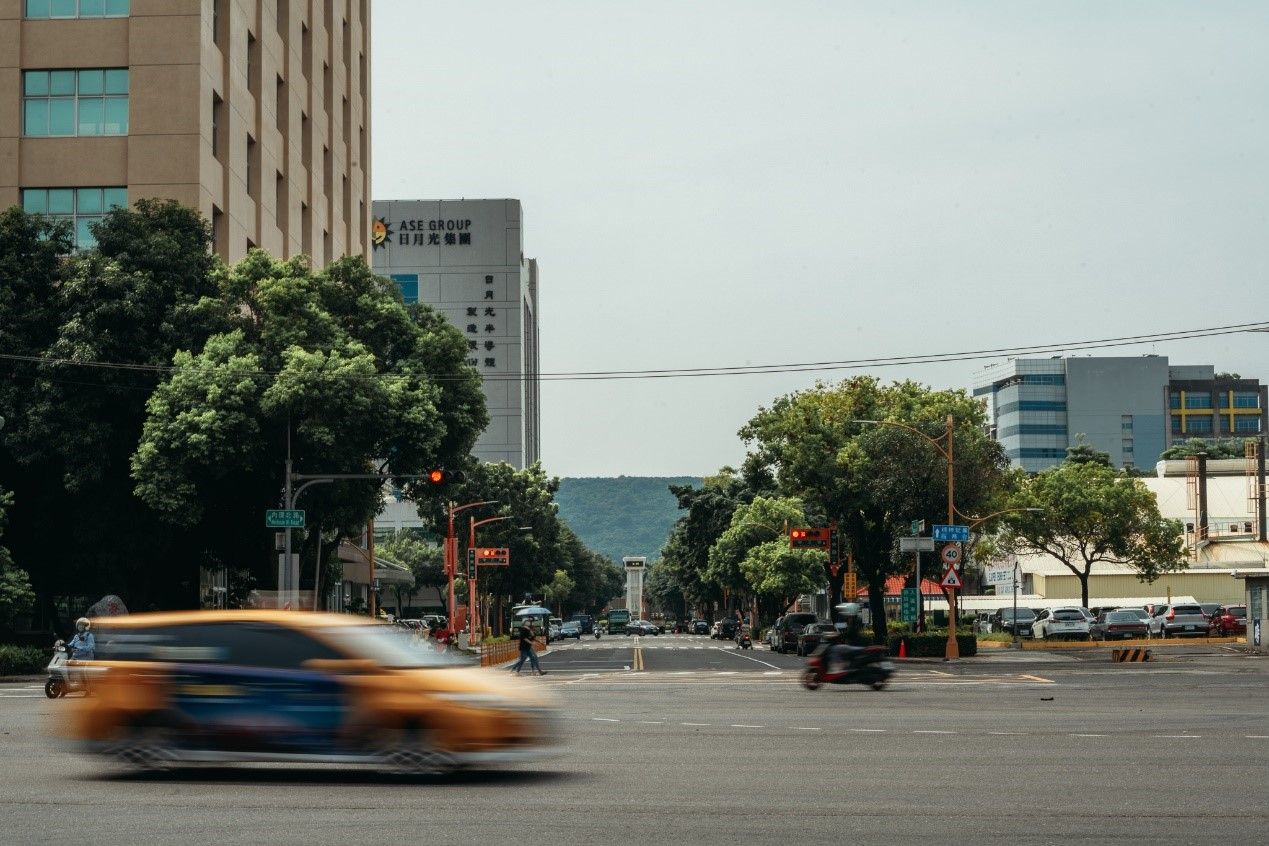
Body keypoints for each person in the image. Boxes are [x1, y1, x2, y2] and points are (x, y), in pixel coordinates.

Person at [819, 603, 867, 674]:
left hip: (855, 644)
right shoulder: (853, 620)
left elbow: (850, 633)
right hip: (853, 644)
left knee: (836, 649)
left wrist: (837, 635)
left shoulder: (855, 621)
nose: (845, 614)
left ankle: (837, 668)